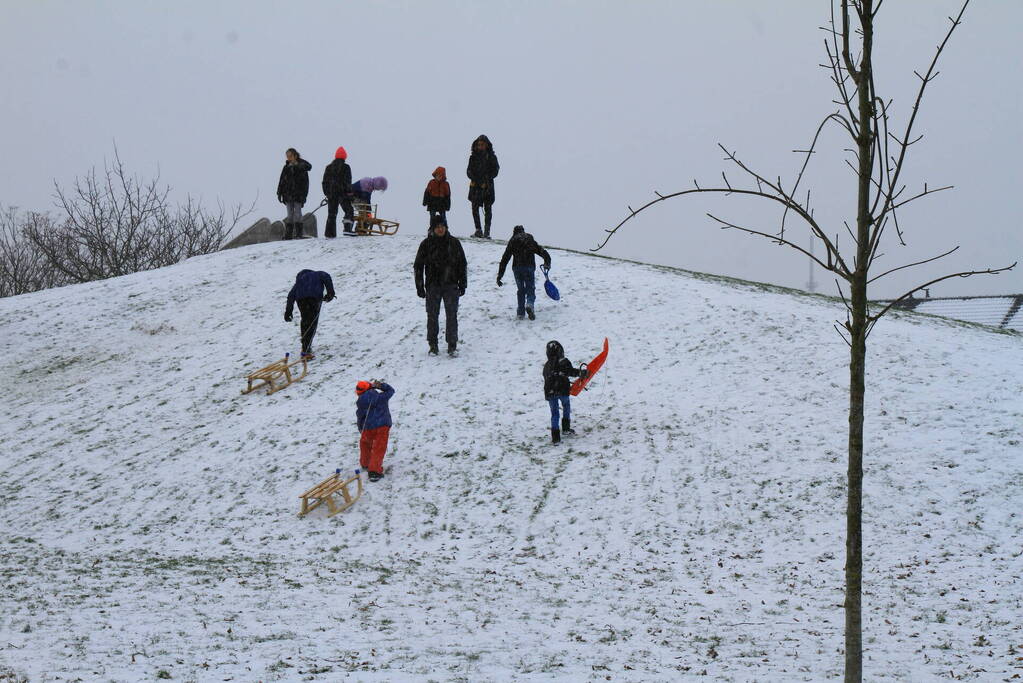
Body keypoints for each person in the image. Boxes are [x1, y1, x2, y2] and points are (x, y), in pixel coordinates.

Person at [414, 215, 467, 356]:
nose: (440, 229)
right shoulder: (426, 244)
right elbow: (418, 266)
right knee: (432, 316)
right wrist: (419, 286)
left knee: (452, 315)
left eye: (442, 226)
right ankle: (433, 345)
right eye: (437, 227)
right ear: (432, 228)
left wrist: (463, 283)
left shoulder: (454, 243)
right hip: (433, 286)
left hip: (451, 285)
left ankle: (452, 345)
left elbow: (462, 264)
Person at [496, 225, 552, 320]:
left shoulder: (512, 240)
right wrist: (547, 261)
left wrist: (500, 276)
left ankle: (520, 313)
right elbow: (541, 251)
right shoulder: (528, 238)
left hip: (517, 268)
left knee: (521, 290)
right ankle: (529, 304)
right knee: (530, 287)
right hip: (528, 267)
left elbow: (505, 259)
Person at [542, 340, 587, 444]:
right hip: (562, 389)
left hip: (550, 391)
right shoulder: (563, 361)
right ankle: (566, 428)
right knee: (566, 406)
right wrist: (580, 373)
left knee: (554, 413)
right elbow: (569, 371)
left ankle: (555, 437)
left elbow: (546, 376)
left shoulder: (546, 365)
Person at [284, 269, 335, 359]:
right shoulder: (319, 274)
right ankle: (306, 350)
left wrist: (288, 312)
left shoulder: (299, 282)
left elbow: (291, 296)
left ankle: (305, 347)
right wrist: (330, 293)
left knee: (305, 321)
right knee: (312, 323)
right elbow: (327, 277)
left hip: (301, 301)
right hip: (314, 298)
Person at [356, 380, 395, 482]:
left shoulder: (360, 402)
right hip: (382, 426)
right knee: (379, 448)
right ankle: (374, 472)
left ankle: (365, 464)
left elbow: (360, 416)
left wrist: (361, 428)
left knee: (365, 445)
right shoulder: (380, 397)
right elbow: (391, 390)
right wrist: (381, 385)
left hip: (367, 427)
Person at [466, 134, 499, 238]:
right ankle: (478, 229)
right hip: (475, 186)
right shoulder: (473, 157)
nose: (480, 146)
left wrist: (486, 179)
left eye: (482, 144)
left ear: (487, 145)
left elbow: (495, 171)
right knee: (474, 208)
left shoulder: (492, 157)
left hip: (488, 186)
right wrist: (474, 178)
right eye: (479, 144)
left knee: (488, 208)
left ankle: (487, 232)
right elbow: (468, 171)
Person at [276, 148, 312, 240]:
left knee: (298, 214)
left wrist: (304, 195)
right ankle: (289, 234)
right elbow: (281, 181)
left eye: (290, 156)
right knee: (290, 214)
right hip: (287, 194)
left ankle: (299, 234)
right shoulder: (286, 167)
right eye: (287, 156)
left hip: (298, 194)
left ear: (295, 156)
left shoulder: (302, 166)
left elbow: (305, 183)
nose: (288, 158)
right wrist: (279, 193)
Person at [322, 146, 354, 237]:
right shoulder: (346, 167)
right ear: (344, 157)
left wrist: (327, 193)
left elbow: (324, 182)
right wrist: (349, 193)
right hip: (342, 193)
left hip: (332, 194)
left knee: (331, 214)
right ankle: (347, 229)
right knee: (348, 210)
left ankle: (329, 234)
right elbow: (348, 182)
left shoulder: (328, 167)